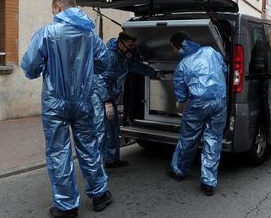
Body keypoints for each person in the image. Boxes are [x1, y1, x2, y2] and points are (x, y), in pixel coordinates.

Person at [21, 0, 112, 218]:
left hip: (55, 102)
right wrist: (88, 72)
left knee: (58, 152)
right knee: (89, 148)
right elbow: (105, 62)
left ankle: (67, 206)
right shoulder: (89, 34)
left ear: (57, 7)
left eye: (53, 10)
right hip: (83, 101)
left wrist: (43, 69)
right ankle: (99, 194)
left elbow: (30, 67)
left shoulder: (48, 32)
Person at [166, 31, 227, 196]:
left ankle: (178, 170)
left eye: (174, 48)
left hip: (198, 104)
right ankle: (208, 182)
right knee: (213, 140)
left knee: (188, 139)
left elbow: (181, 95)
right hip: (219, 101)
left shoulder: (183, 64)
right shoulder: (211, 51)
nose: (174, 51)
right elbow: (224, 69)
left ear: (179, 47)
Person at [94, 31, 160, 168]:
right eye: (129, 45)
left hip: (110, 98)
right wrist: (106, 101)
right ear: (120, 42)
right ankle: (95, 167)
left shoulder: (123, 58)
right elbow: (99, 80)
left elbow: (136, 66)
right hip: (99, 98)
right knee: (100, 130)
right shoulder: (109, 56)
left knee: (112, 129)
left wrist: (153, 72)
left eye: (132, 46)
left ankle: (111, 160)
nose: (131, 48)